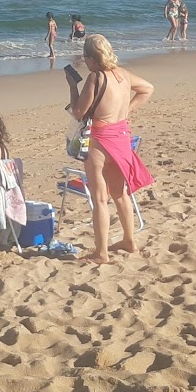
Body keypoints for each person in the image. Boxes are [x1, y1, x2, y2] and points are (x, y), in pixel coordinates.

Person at [66, 35, 154, 265]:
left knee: (99, 198)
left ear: (91, 58)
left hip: (101, 140)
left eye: (85, 58)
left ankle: (101, 252)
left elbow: (78, 112)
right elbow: (147, 88)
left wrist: (72, 86)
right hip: (121, 136)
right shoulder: (122, 74)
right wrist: (126, 109)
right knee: (120, 194)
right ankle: (129, 240)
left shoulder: (95, 78)